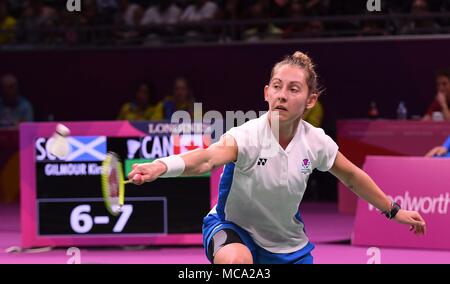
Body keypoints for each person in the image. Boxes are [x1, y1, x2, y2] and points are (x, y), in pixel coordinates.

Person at [127, 51, 426, 264]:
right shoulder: (247, 135)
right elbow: (206, 159)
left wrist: (393, 210)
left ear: (310, 100)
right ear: (266, 93)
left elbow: (351, 176)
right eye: (277, 87)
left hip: (287, 243)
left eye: (293, 89)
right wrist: (161, 165)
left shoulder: (316, 142)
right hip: (232, 227)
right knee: (235, 263)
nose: (282, 95)